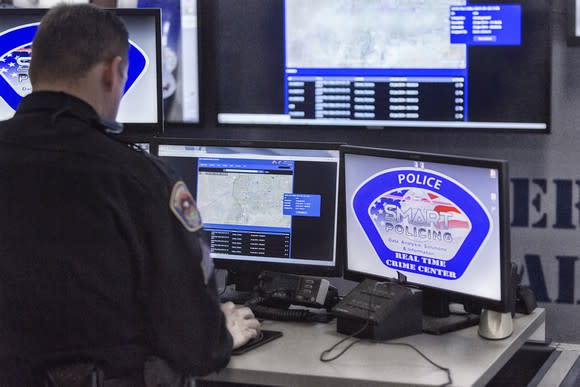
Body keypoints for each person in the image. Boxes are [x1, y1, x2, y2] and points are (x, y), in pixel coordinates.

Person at [0, 4, 260, 386]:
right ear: (114, 71)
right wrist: (222, 331)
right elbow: (200, 348)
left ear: (34, 68)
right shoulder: (141, 183)